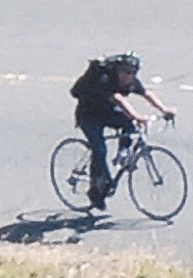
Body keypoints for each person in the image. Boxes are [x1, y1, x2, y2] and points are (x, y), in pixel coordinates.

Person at [67, 51, 173, 209]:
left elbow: (146, 94)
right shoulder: (104, 80)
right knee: (100, 149)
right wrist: (136, 115)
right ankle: (95, 190)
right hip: (89, 116)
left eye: (132, 73)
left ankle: (122, 154)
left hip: (107, 112)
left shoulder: (131, 81)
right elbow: (119, 99)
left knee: (130, 126)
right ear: (118, 70)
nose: (129, 76)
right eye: (126, 72)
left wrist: (164, 109)